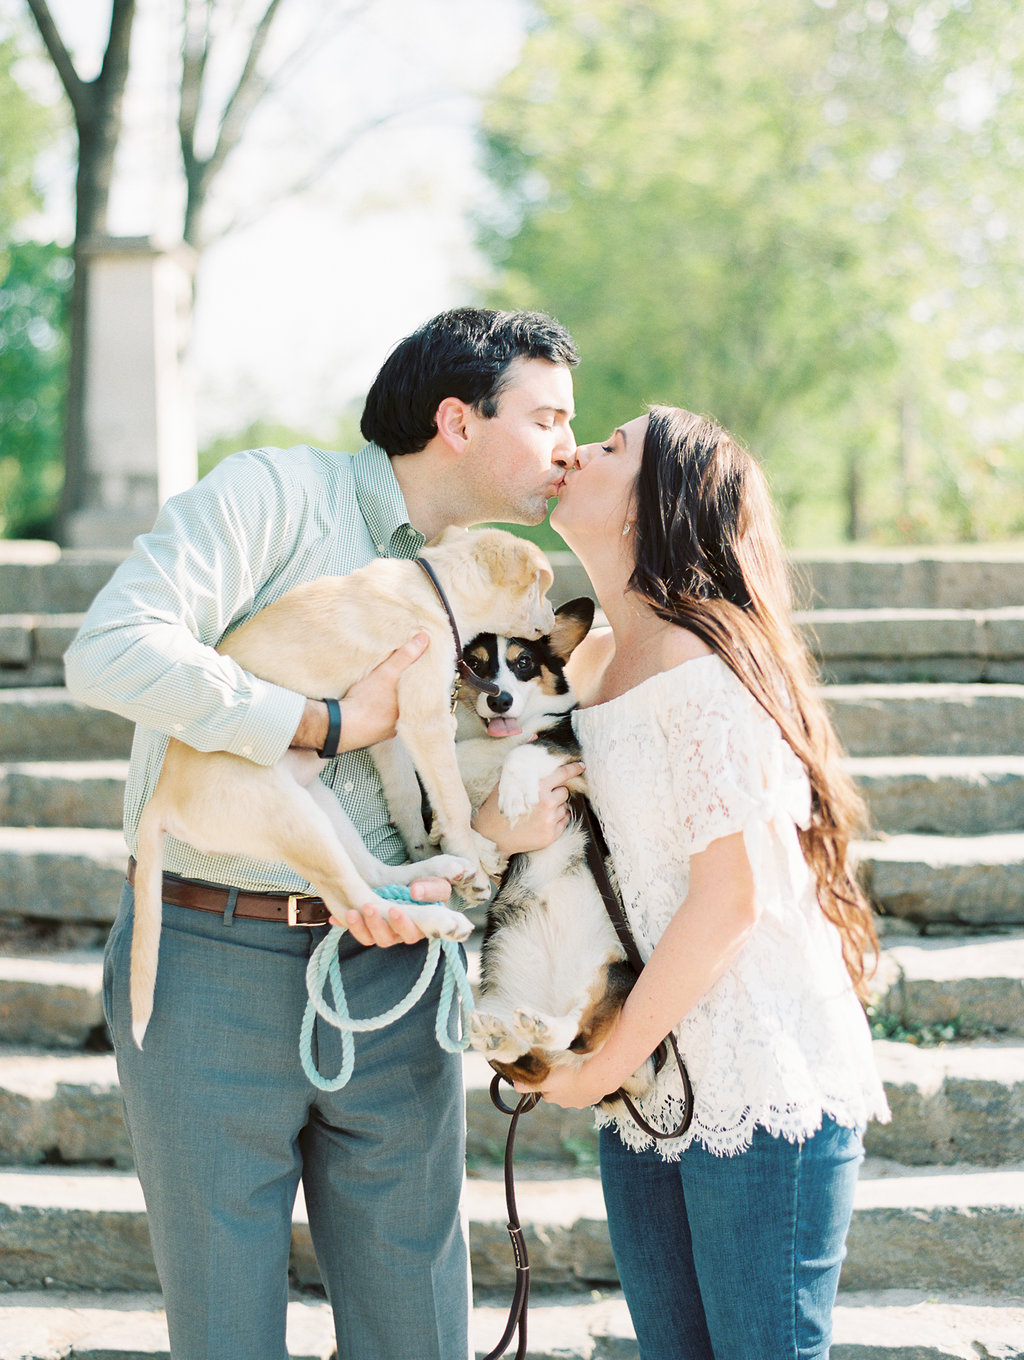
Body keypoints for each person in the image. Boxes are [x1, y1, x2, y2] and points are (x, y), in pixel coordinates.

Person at [63, 306, 583, 1360]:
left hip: (396, 978)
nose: (569, 447)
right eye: (549, 418)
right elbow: (110, 650)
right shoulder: (272, 496)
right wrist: (321, 723)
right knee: (225, 1338)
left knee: (417, 1337)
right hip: (214, 956)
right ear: (457, 421)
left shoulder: (485, 594)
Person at [522, 406, 890, 1359]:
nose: (576, 450)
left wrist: (600, 1067)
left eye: (611, 447)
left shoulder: (702, 664)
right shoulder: (594, 660)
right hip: (650, 1086)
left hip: (759, 1078)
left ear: (654, 505)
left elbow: (731, 898)